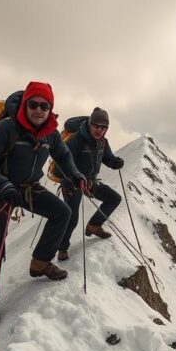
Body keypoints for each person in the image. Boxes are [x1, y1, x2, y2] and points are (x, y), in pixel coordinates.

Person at [0, 81, 86, 305]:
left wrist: (75, 175)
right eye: (33, 104)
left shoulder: (50, 133)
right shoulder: (7, 127)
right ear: (25, 104)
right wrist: (2, 185)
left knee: (61, 212)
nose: (39, 111)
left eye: (45, 107)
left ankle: (40, 263)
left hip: (26, 188)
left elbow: (62, 156)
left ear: (50, 109)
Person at [52, 107, 125, 261]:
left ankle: (94, 226)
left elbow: (108, 159)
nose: (99, 130)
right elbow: (60, 166)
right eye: (96, 126)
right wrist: (75, 178)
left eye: (103, 127)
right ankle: (62, 249)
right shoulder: (76, 140)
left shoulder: (102, 142)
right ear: (90, 124)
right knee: (72, 217)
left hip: (89, 181)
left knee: (114, 198)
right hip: (72, 183)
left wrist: (116, 162)